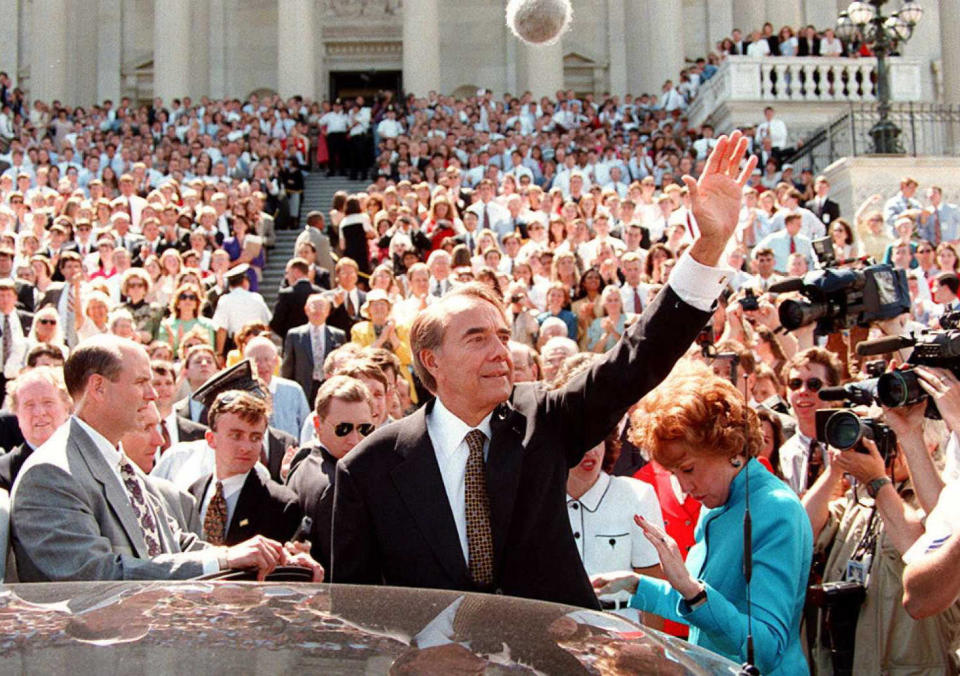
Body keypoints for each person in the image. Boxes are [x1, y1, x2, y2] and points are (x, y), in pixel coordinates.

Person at [331, 132, 758, 607]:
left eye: (501, 335)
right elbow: (354, 607)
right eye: (477, 339)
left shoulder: (545, 417)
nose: (501, 351)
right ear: (431, 361)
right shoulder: (368, 468)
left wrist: (707, 250)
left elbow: (637, 359)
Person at [10, 335, 319, 582]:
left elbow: (177, 544)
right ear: (98, 388)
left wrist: (270, 559)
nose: (152, 394)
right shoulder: (51, 475)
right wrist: (224, 559)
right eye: (141, 382)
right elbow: (95, 577)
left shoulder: (121, 466)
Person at [593, 364, 812, 674]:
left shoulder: (776, 510)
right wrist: (635, 586)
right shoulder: (718, 500)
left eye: (689, 469)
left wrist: (693, 591)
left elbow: (764, 648)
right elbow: (701, 611)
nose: (684, 487)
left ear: (729, 446)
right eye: (673, 473)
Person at [188, 389, 302, 546]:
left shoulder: (280, 505)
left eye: (255, 438)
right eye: (236, 436)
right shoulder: (194, 492)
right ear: (211, 439)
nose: (246, 447)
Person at [286, 375, 375, 571]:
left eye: (364, 429)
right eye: (343, 429)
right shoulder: (340, 485)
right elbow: (347, 573)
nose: (355, 439)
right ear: (317, 425)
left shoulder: (302, 461)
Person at [0, 366, 71, 491]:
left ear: (67, 408)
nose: (39, 412)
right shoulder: (3, 474)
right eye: (29, 405)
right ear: (17, 414)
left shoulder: (92, 462)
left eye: (48, 402)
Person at [281, 293, 346, 404]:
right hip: (304, 389)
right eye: (313, 306)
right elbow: (288, 366)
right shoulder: (295, 335)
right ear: (306, 310)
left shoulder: (338, 335)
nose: (317, 310)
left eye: (321, 306)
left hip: (330, 388)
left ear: (328, 311)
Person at [243, 336, 311, 440]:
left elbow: (307, 426)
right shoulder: (242, 394)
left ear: (275, 361)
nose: (263, 365)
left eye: (267, 359)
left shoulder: (294, 390)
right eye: (256, 360)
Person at [211, 264, 271, 361]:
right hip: (257, 341)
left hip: (235, 344)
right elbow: (266, 325)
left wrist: (220, 353)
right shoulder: (257, 298)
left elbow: (222, 329)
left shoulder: (225, 299)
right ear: (245, 282)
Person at [270, 258, 324, 341]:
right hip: (319, 342)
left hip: (293, 346)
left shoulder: (286, 294)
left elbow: (275, 323)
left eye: (287, 273)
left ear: (296, 272)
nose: (286, 277)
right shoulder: (322, 293)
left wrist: (290, 336)